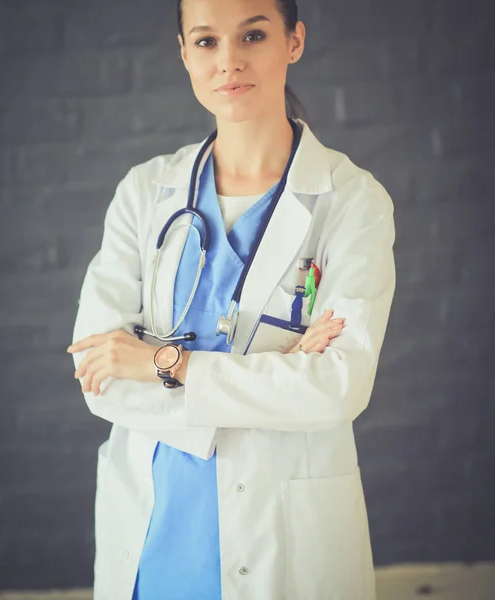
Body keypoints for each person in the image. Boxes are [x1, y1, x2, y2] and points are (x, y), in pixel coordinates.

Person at [67, 0, 396, 598]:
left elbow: (339, 387)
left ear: (294, 41)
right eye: (207, 42)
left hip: (285, 533)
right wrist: (280, 377)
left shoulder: (352, 202)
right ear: (184, 53)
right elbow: (99, 373)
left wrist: (165, 364)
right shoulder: (146, 193)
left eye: (252, 34)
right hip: (156, 523)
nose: (229, 62)